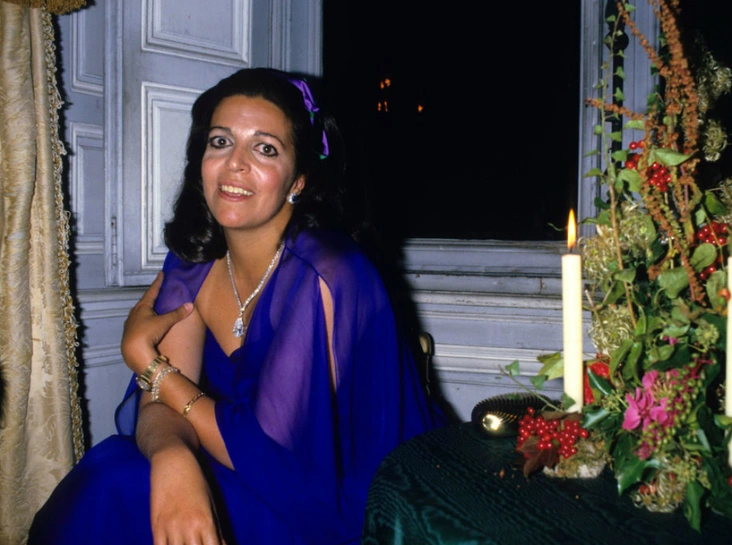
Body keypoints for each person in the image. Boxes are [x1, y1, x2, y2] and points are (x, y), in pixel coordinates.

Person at [28, 68, 443, 545]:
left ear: (299, 179)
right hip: (247, 472)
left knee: (117, 485)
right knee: (116, 474)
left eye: (265, 148)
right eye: (221, 142)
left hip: (341, 504)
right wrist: (171, 455)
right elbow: (159, 405)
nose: (235, 164)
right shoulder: (195, 258)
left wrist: (150, 364)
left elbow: (268, 451)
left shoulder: (328, 271)